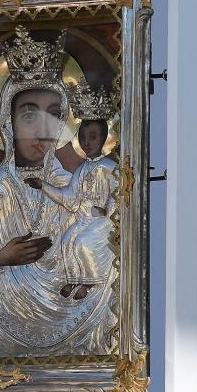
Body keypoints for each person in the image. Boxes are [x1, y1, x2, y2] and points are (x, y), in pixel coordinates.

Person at [0, 26, 114, 358]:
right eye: (29, 116)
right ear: (7, 124)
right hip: (3, 322)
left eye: (54, 115)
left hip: (71, 312)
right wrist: (0, 259)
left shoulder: (73, 181)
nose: (42, 129)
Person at [25, 84, 121, 301]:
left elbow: (119, 196)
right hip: (83, 218)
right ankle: (74, 278)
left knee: (82, 242)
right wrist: (43, 186)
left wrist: (107, 212)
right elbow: (69, 198)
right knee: (67, 239)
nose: (88, 143)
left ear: (104, 138)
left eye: (93, 137)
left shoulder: (109, 168)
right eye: (84, 138)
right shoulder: (82, 169)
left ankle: (89, 283)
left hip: (103, 220)